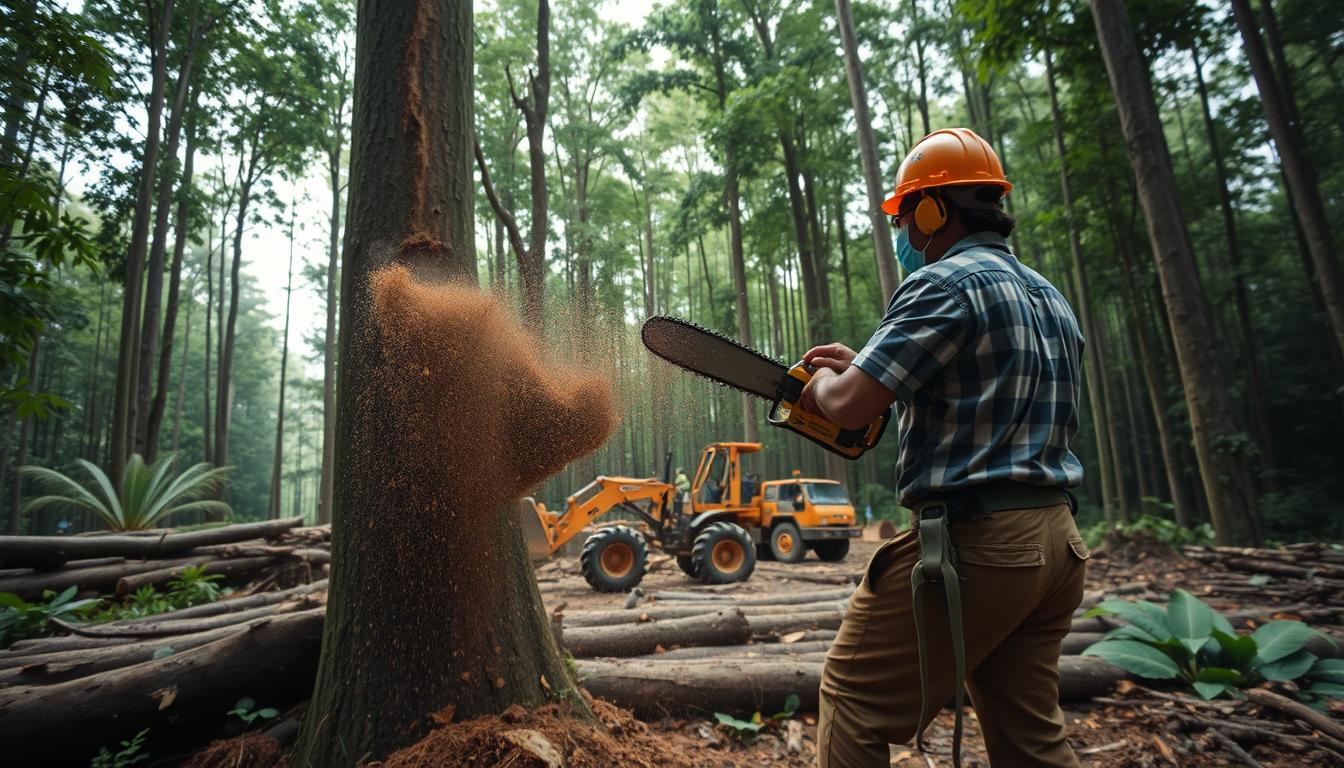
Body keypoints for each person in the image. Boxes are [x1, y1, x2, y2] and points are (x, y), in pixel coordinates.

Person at [798, 127, 1088, 768]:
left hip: (981, 544)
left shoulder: (942, 284)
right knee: (1032, 735)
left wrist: (824, 382)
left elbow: (847, 406)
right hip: (1057, 543)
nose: (902, 233)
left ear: (933, 210)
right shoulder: (1050, 297)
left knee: (851, 699)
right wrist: (870, 364)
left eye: (904, 216)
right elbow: (984, 394)